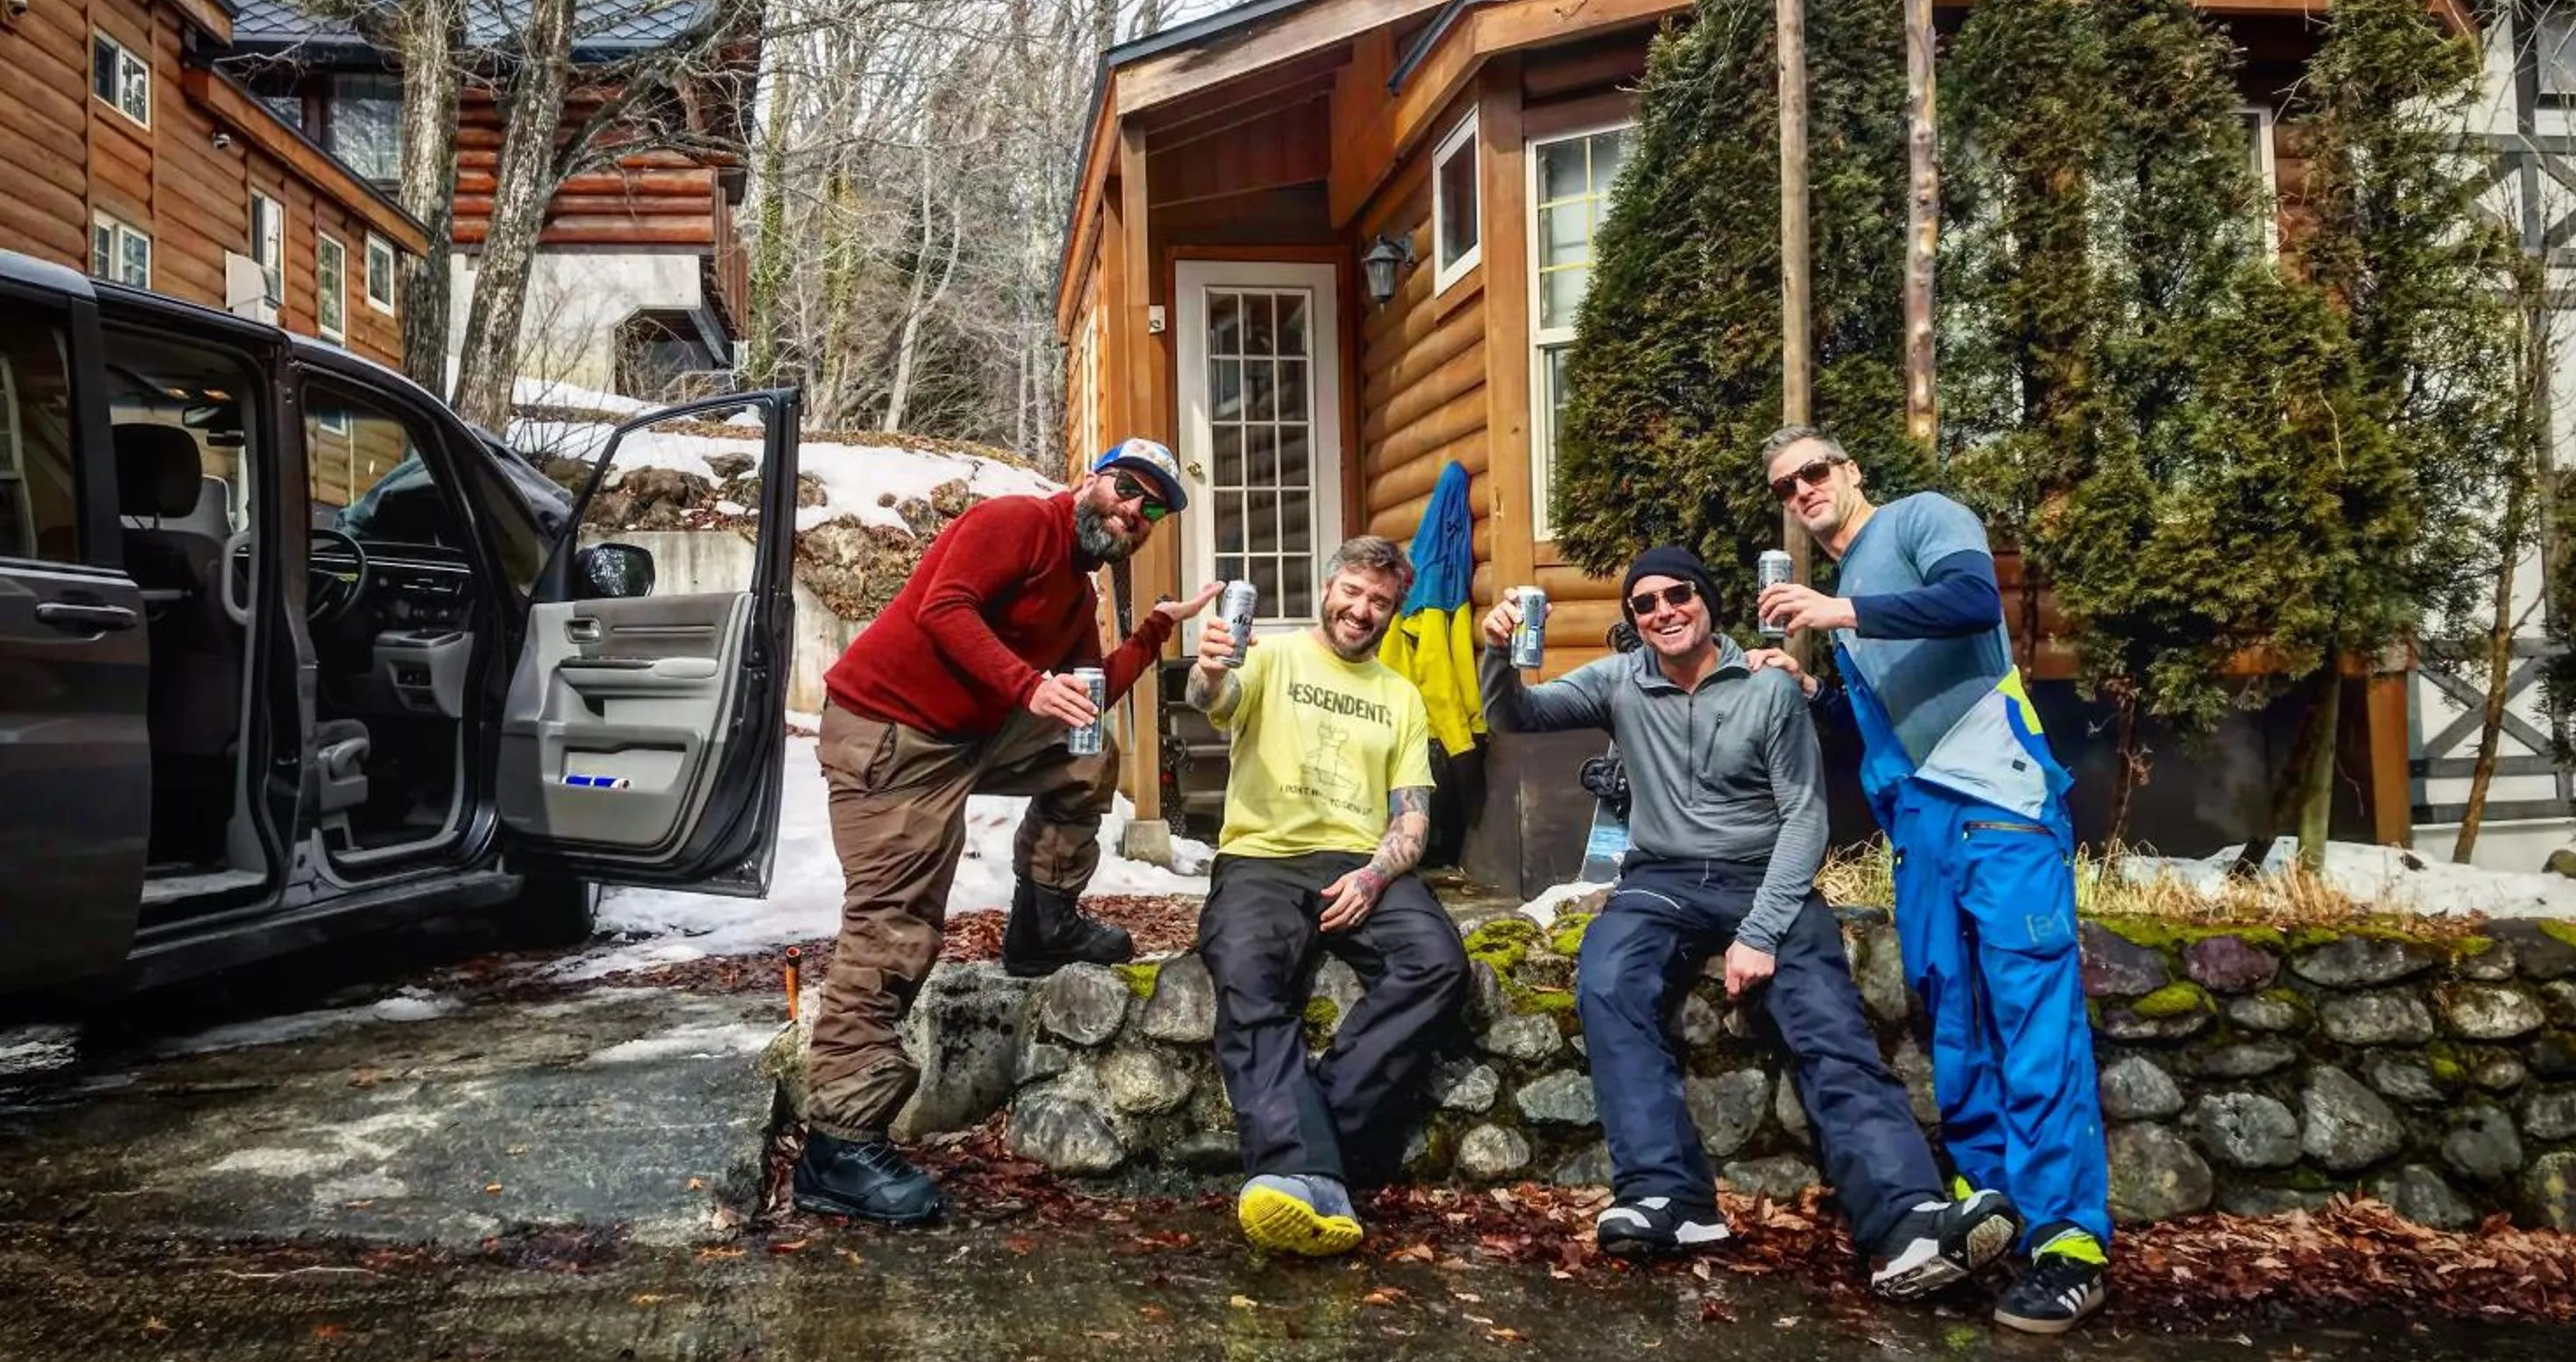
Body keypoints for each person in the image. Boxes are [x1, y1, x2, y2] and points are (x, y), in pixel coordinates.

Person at [1480, 547, 2018, 1300]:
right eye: (1645, 604)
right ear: (1632, 622)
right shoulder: (1619, 682)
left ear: (1708, 601)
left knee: (1827, 1024)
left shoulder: (1768, 688)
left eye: (1679, 595)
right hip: (1662, 880)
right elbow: (1516, 714)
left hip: (1766, 877)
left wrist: (1761, 931)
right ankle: (1669, 1199)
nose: (1664, 611)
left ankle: (1908, 1223)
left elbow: (1804, 817)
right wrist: (1496, 651)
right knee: (1608, 981)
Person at [796, 438, 1221, 1226]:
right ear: (1090, 478)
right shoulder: (1018, 522)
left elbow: (1088, 693)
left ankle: (1041, 925)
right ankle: (838, 1145)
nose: (1134, 511)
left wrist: (1156, 629)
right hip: (889, 734)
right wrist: (1028, 685)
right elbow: (944, 608)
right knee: (894, 926)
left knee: (1087, 753)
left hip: (965, 734)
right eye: (1128, 489)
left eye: (1152, 509)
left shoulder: (1076, 587)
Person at [1755, 427, 2111, 1335]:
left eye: (1814, 472)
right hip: (1919, 826)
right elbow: (1890, 711)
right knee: (1955, 1017)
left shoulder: (1922, 518)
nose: (1801, 491)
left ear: (1851, 470)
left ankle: (2068, 1246)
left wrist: (1838, 617)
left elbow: (1966, 599)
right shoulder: (1841, 602)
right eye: (1785, 486)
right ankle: (1987, 1215)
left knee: (2030, 1011)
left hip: (1999, 804)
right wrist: (1808, 691)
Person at [1187, 536, 1469, 1257]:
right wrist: (1212, 666)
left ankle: (1312, 1149)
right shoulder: (1273, 654)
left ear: (1391, 610)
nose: (1361, 609)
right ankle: (1307, 1169)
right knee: (1249, 975)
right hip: (1262, 857)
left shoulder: (1399, 695)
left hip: (1358, 860)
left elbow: (1412, 817)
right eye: (1352, 590)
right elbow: (1213, 699)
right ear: (1328, 587)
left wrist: (1376, 876)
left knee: (1438, 963)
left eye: (1379, 601)